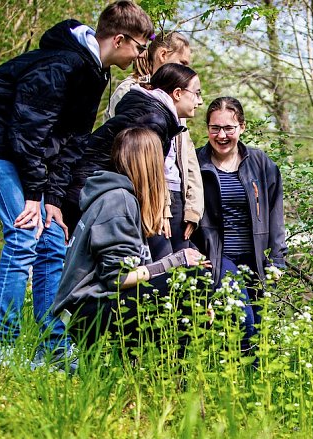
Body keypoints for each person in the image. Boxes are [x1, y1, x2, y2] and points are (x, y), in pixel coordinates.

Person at [0, 1, 154, 368]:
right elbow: (30, 128)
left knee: (53, 239)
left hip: (21, 153)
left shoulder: (95, 72)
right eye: (140, 46)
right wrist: (33, 195)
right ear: (120, 39)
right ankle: (4, 350)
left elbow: (72, 142)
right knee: (24, 232)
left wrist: (54, 200)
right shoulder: (62, 63)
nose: (141, 55)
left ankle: (54, 349)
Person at [53, 127, 210, 348]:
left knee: (192, 284)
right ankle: (171, 378)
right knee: (191, 279)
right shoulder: (118, 201)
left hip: (95, 307)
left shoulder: (121, 197)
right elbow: (117, 278)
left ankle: (150, 370)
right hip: (88, 313)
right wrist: (176, 261)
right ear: (151, 164)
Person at [70, 63, 204, 256]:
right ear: (177, 93)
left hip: (100, 192)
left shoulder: (157, 115)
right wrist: (160, 211)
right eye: (196, 93)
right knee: (162, 265)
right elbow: (140, 174)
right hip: (93, 194)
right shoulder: (152, 120)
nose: (199, 101)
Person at [195, 96, 287, 353]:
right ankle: (235, 376)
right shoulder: (195, 163)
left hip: (255, 258)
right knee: (241, 318)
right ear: (207, 129)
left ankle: (249, 384)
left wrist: (278, 259)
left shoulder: (259, 163)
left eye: (229, 128)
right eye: (215, 128)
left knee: (258, 327)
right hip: (218, 256)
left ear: (242, 128)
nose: (221, 135)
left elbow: (275, 213)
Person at [103, 31, 191, 121]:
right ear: (163, 54)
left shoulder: (175, 99)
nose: (186, 71)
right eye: (182, 63)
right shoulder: (129, 90)